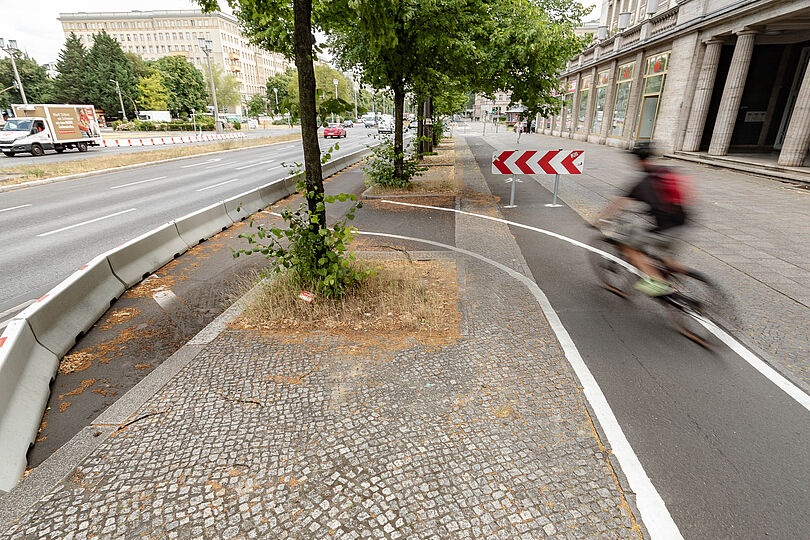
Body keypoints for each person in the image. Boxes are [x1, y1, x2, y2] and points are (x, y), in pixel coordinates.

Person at [597, 141, 692, 296]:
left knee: (630, 246)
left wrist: (600, 220)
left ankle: (657, 283)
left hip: (665, 230)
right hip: (683, 225)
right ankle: (695, 280)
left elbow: (617, 205)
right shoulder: (666, 171)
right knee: (667, 262)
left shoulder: (642, 183)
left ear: (638, 160)